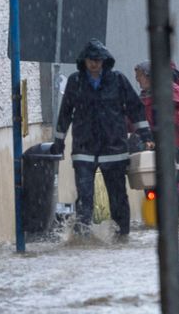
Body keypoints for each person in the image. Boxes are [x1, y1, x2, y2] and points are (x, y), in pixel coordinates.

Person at [51, 40, 148, 238]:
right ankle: (82, 240)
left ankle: (122, 237)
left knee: (118, 198)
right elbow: (65, 113)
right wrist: (59, 142)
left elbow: (135, 108)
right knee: (85, 199)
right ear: (84, 61)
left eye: (98, 60)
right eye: (91, 60)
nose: (94, 64)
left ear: (105, 61)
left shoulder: (118, 80)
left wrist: (146, 136)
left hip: (114, 150)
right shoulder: (75, 82)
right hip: (84, 150)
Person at [135, 61, 179, 218]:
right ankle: (163, 220)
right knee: (154, 188)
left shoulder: (171, 89)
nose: (137, 80)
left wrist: (167, 121)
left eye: (139, 76)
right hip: (153, 152)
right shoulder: (143, 97)